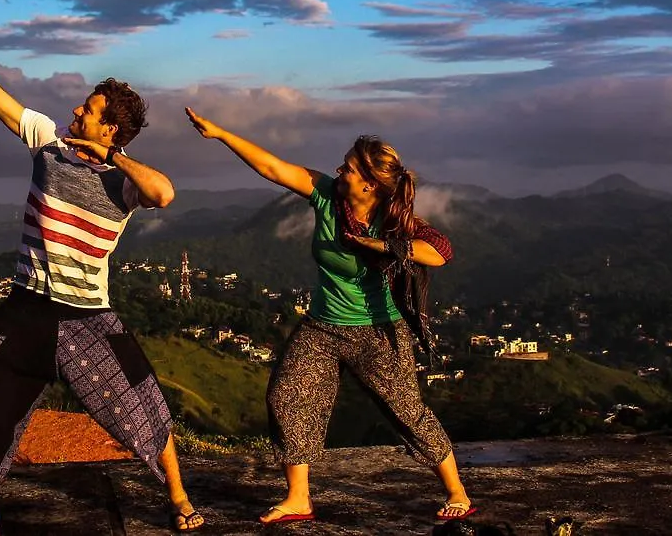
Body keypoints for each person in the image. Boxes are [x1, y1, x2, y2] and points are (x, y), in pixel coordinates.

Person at [0, 12, 205, 535]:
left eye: (89, 108)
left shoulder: (123, 183)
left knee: (140, 399)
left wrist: (110, 156)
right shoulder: (48, 141)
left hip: (87, 317)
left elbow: (163, 193)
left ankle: (178, 496)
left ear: (108, 127)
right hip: (26, 307)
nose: (76, 109)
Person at [185, 107, 475, 525]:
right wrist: (221, 134)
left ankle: (457, 492)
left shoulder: (394, 221)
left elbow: (440, 252)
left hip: (378, 331)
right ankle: (298, 497)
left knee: (407, 412)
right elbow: (272, 166)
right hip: (323, 326)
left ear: (371, 184)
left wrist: (381, 247)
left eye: (351, 167)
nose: (341, 169)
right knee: (287, 397)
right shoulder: (327, 195)